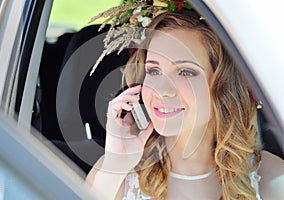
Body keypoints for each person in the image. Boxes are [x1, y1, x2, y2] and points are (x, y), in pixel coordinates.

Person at [86, 9, 284, 200]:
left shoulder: (271, 176)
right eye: (154, 70)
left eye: (186, 72)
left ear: (223, 86)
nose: (162, 90)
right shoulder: (114, 174)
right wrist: (116, 164)